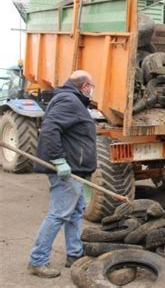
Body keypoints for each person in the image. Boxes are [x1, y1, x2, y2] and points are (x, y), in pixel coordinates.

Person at [28, 70, 97, 278]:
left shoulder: (72, 101)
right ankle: (38, 260)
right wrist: (59, 161)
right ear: (84, 86)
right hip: (66, 171)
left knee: (75, 213)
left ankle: (74, 254)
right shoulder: (68, 101)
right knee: (59, 213)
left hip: (75, 169)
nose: (92, 90)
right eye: (91, 86)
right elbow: (49, 129)